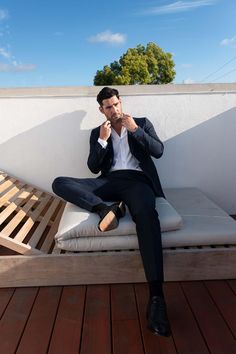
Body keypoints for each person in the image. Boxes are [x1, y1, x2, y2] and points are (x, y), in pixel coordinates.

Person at [52, 87, 171, 337]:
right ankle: (106, 209)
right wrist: (102, 140)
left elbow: (159, 151)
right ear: (101, 109)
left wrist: (135, 131)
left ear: (121, 102)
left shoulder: (141, 123)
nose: (114, 109)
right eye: (108, 106)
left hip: (138, 182)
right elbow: (93, 166)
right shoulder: (98, 132)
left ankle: (157, 298)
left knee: (147, 216)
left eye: (116, 104)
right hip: (109, 182)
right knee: (60, 182)